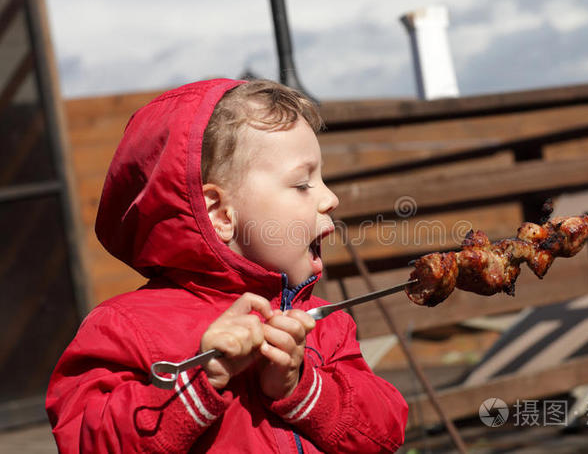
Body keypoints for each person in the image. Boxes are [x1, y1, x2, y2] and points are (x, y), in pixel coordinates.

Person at [46, 78, 408, 453]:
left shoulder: (326, 325)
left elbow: (384, 432)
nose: (330, 198)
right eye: (302, 184)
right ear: (220, 212)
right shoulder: (125, 329)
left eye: (321, 180)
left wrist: (302, 386)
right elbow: (87, 440)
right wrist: (200, 382)